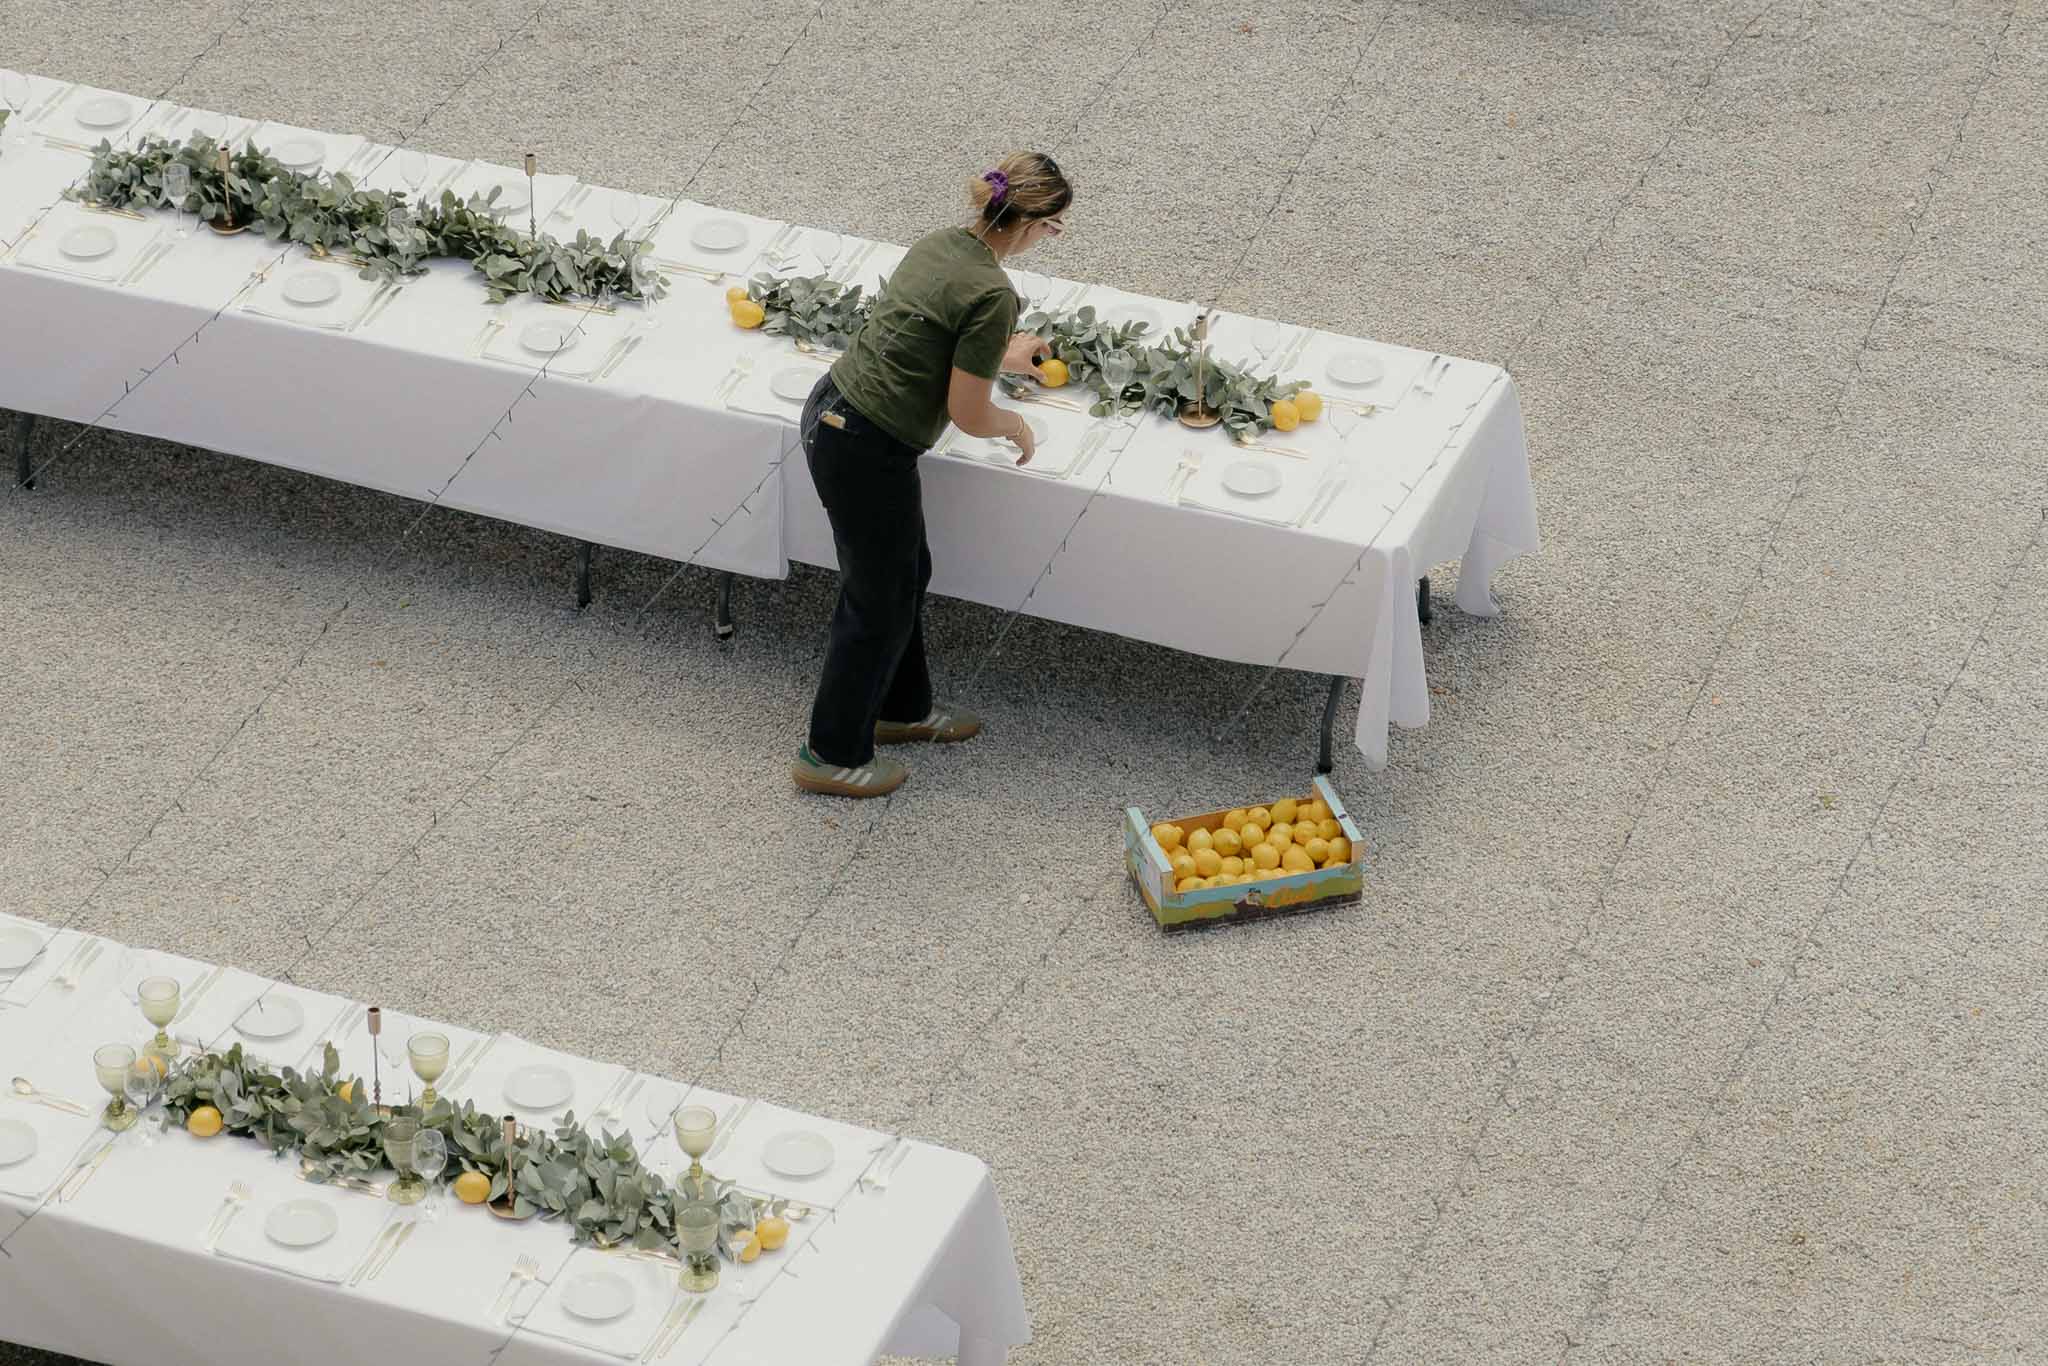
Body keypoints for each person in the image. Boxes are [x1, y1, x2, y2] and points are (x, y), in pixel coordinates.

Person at [791, 151, 1073, 798]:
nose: (1050, 239)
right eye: (1054, 229)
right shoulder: (997, 292)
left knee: (904, 577)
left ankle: (902, 709)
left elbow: (931, 334)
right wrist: (1017, 427)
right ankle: (828, 753)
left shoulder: (945, 244)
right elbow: (969, 413)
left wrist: (1004, 353)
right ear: (1032, 224)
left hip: (831, 410)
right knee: (876, 600)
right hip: (865, 444)